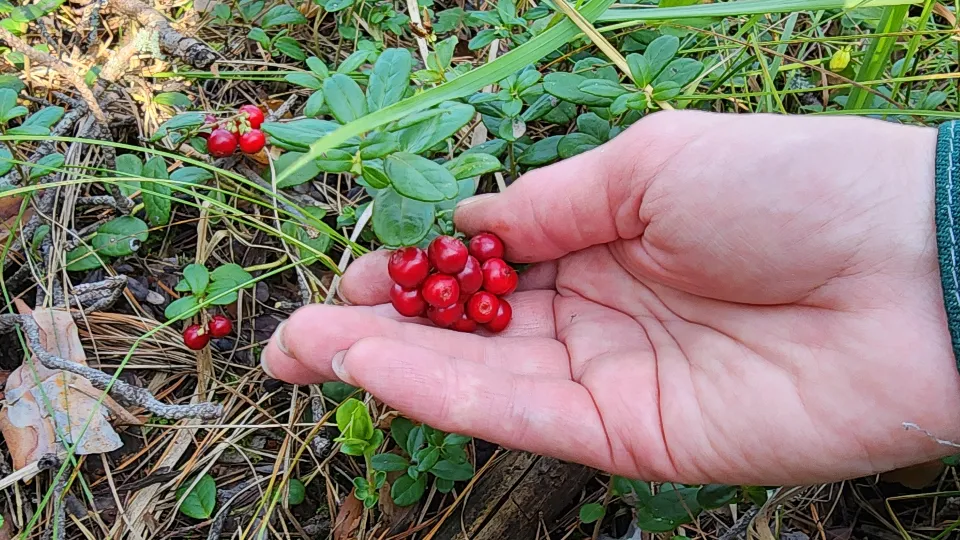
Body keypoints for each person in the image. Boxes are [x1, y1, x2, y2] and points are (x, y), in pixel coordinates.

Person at [260, 110, 960, 486]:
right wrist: (926, 229)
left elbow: (471, 288)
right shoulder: (458, 276)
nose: (455, 286)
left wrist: (914, 226)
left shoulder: (467, 278)